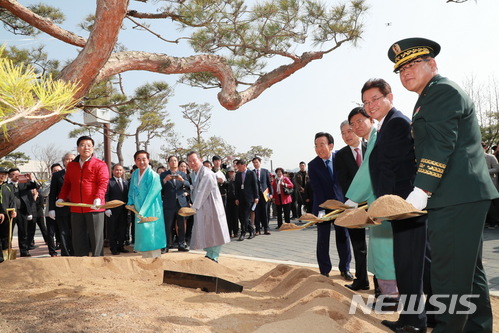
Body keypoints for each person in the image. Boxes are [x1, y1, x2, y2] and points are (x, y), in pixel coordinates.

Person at [389, 37, 498, 333]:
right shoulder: (431, 95)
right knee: (468, 274)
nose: (406, 72)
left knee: (448, 276)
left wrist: (421, 189)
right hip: (461, 196)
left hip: (454, 196)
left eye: (413, 64)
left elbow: (439, 146)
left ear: (432, 64)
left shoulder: (441, 93)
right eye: (401, 69)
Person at [360, 78, 430, 329]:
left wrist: (382, 206)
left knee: (408, 264)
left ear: (390, 96)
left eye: (375, 99)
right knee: (421, 261)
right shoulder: (386, 125)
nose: (370, 105)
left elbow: (393, 169)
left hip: (403, 206)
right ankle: (429, 313)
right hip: (399, 205)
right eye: (366, 102)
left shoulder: (397, 122)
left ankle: (413, 321)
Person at [308, 132, 352, 280]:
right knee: (323, 238)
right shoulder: (313, 165)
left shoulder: (342, 157)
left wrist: (347, 204)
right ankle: (325, 270)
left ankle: (345, 269)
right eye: (316, 145)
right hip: (323, 207)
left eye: (322, 144)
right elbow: (317, 190)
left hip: (342, 206)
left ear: (331, 145)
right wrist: (322, 213)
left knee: (343, 237)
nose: (318, 148)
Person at [57, 136, 109, 257]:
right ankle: (81, 264)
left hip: (94, 207)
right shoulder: (71, 166)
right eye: (82, 145)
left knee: (96, 238)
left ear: (92, 148)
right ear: (78, 148)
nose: (86, 148)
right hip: (76, 207)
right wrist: (61, 197)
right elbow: (67, 184)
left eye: (89, 145)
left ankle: (97, 263)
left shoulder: (100, 164)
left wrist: (98, 198)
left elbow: (103, 183)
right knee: (78, 238)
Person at [335, 120, 369, 291]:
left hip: (374, 203)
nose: (347, 135)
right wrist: (355, 200)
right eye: (343, 133)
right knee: (358, 245)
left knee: (378, 246)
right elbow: (345, 182)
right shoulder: (340, 156)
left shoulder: (371, 147)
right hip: (354, 204)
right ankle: (362, 280)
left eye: (349, 131)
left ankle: (381, 285)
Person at [187, 151, 231, 262]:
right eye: (190, 161)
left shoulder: (207, 173)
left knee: (215, 230)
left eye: (194, 160)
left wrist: (194, 207)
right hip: (201, 206)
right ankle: (209, 253)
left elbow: (202, 191)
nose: (192, 163)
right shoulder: (194, 174)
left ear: (200, 160)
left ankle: (214, 255)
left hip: (212, 206)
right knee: (206, 229)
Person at [127, 150, 167, 258]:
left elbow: (151, 195)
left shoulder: (153, 176)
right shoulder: (135, 174)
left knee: (152, 235)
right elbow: (131, 190)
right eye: (138, 160)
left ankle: (154, 259)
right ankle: (145, 259)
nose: (141, 162)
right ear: (135, 161)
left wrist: (143, 211)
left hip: (151, 209)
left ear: (148, 160)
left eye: (144, 159)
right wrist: (130, 203)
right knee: (143, 236)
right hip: (138, 209)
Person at [160, 155, 190, 252]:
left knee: (181, 224)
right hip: (169, 203)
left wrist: (181, 180)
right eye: (172, 161)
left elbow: (189, 185)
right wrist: (165, 180)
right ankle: (167, 245)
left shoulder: (182, 174)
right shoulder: (164, 174)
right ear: (168, 163)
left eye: (175, 160)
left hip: (181, 203)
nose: (174, 162)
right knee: (168, 225)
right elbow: (159, 188)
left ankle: (181, 244)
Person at [48, 152, 75, 256]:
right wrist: (51, 209)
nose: (70, 161)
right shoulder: (57, 175)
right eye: (67, 159)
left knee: (76, 231)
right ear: (64, 162)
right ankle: (65, 253)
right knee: (63, 232)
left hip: (76, 208)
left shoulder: (80, 173)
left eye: (72, 159)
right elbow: (53, 193)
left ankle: (75, 252)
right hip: (61, 208)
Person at [8, 167, 38, 257]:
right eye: (13, 174)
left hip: (22, 211)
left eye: (18, 174)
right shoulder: (6, 185)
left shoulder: (23, 183)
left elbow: (34, 186)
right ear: (9, 176)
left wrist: (30, 179)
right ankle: (7, 250)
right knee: (8, 232)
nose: (16, 176)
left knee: (23, 231)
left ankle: (24, 250)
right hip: (10, 212)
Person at [105, 164, 130, 255]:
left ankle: (121, 246)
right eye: (116, 170)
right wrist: (107, 208)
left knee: (122, 229)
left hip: (123, 210)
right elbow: (106, 195)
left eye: (120, 170)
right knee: (113, 229)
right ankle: (113, 248)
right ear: (112, 171)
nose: (118, 172)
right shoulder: (109, 182)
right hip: (112, 210)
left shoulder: (125, 182)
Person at [234, 159, 259, 241]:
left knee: (245, 215)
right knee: (241, 216)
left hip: (249, 198)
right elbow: (236, 187)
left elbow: (255, 186)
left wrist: (256, 197)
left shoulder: (251, 173)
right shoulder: (238, 174)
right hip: (240, 198)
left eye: (239, 166)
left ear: (244, 165)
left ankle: (243, 232)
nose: (238, 168)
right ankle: (252, 230)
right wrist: (236, 198)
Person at [252, 156, 272, 235]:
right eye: (254, 163)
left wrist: (271, 194)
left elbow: (269, 183)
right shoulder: (251, 172)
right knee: (257, 212)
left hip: (265, 194)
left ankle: (266, 228)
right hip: (256, 195)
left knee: (265, 212)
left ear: (260, 162)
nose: (255, 164)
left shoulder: (265, 171)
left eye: (256, 162)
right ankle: (257, 229)